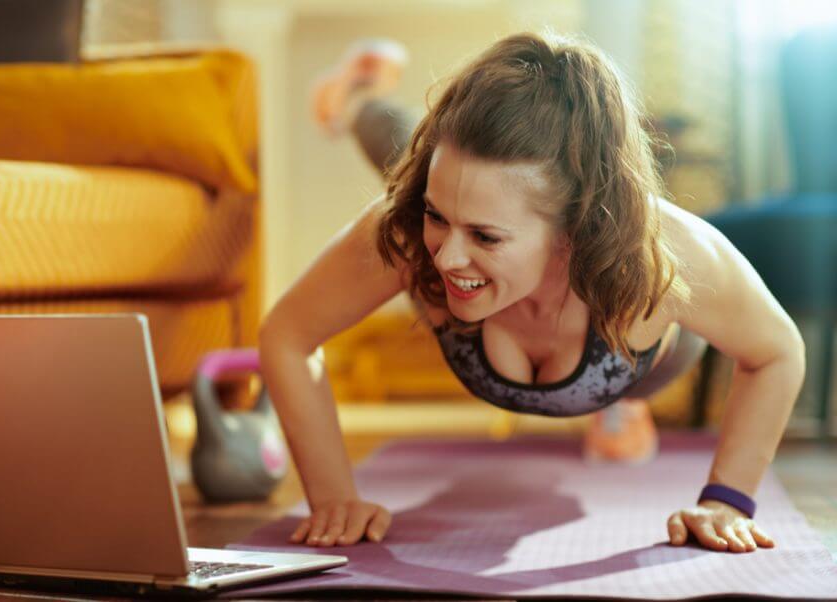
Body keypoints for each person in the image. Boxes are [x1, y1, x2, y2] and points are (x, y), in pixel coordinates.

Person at [258, 31, 805, 554]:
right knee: (406, 162)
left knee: (472, 199)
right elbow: (287, 333)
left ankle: (617, 407)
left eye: (486, 237)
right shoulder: (409, 230)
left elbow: (777, 352)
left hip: (641, 361)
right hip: (467, 202)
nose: (444, 257)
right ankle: (358, 96)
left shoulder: (668, 257)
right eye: (437, 218)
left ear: (575, 228)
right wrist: (333, 498)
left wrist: (727, 501)